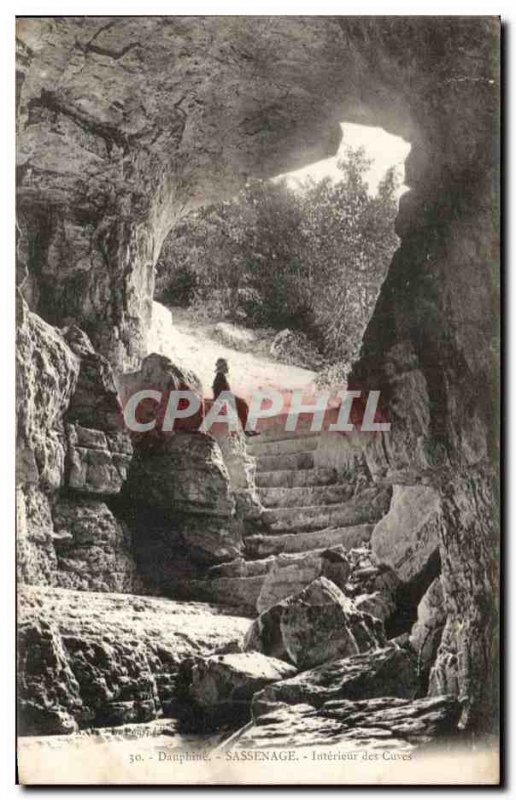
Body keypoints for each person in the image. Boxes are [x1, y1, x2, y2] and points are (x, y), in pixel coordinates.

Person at [212, 357, 258, 436]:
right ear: (222, 367)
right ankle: (246, 429)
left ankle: (247, 428)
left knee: (243, 404)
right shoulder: (220, 377)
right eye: (226, 366)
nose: (228, 368)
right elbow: (222, 392)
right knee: (242, 405)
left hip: (225, 398)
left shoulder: (220, 376)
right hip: (224, 399)